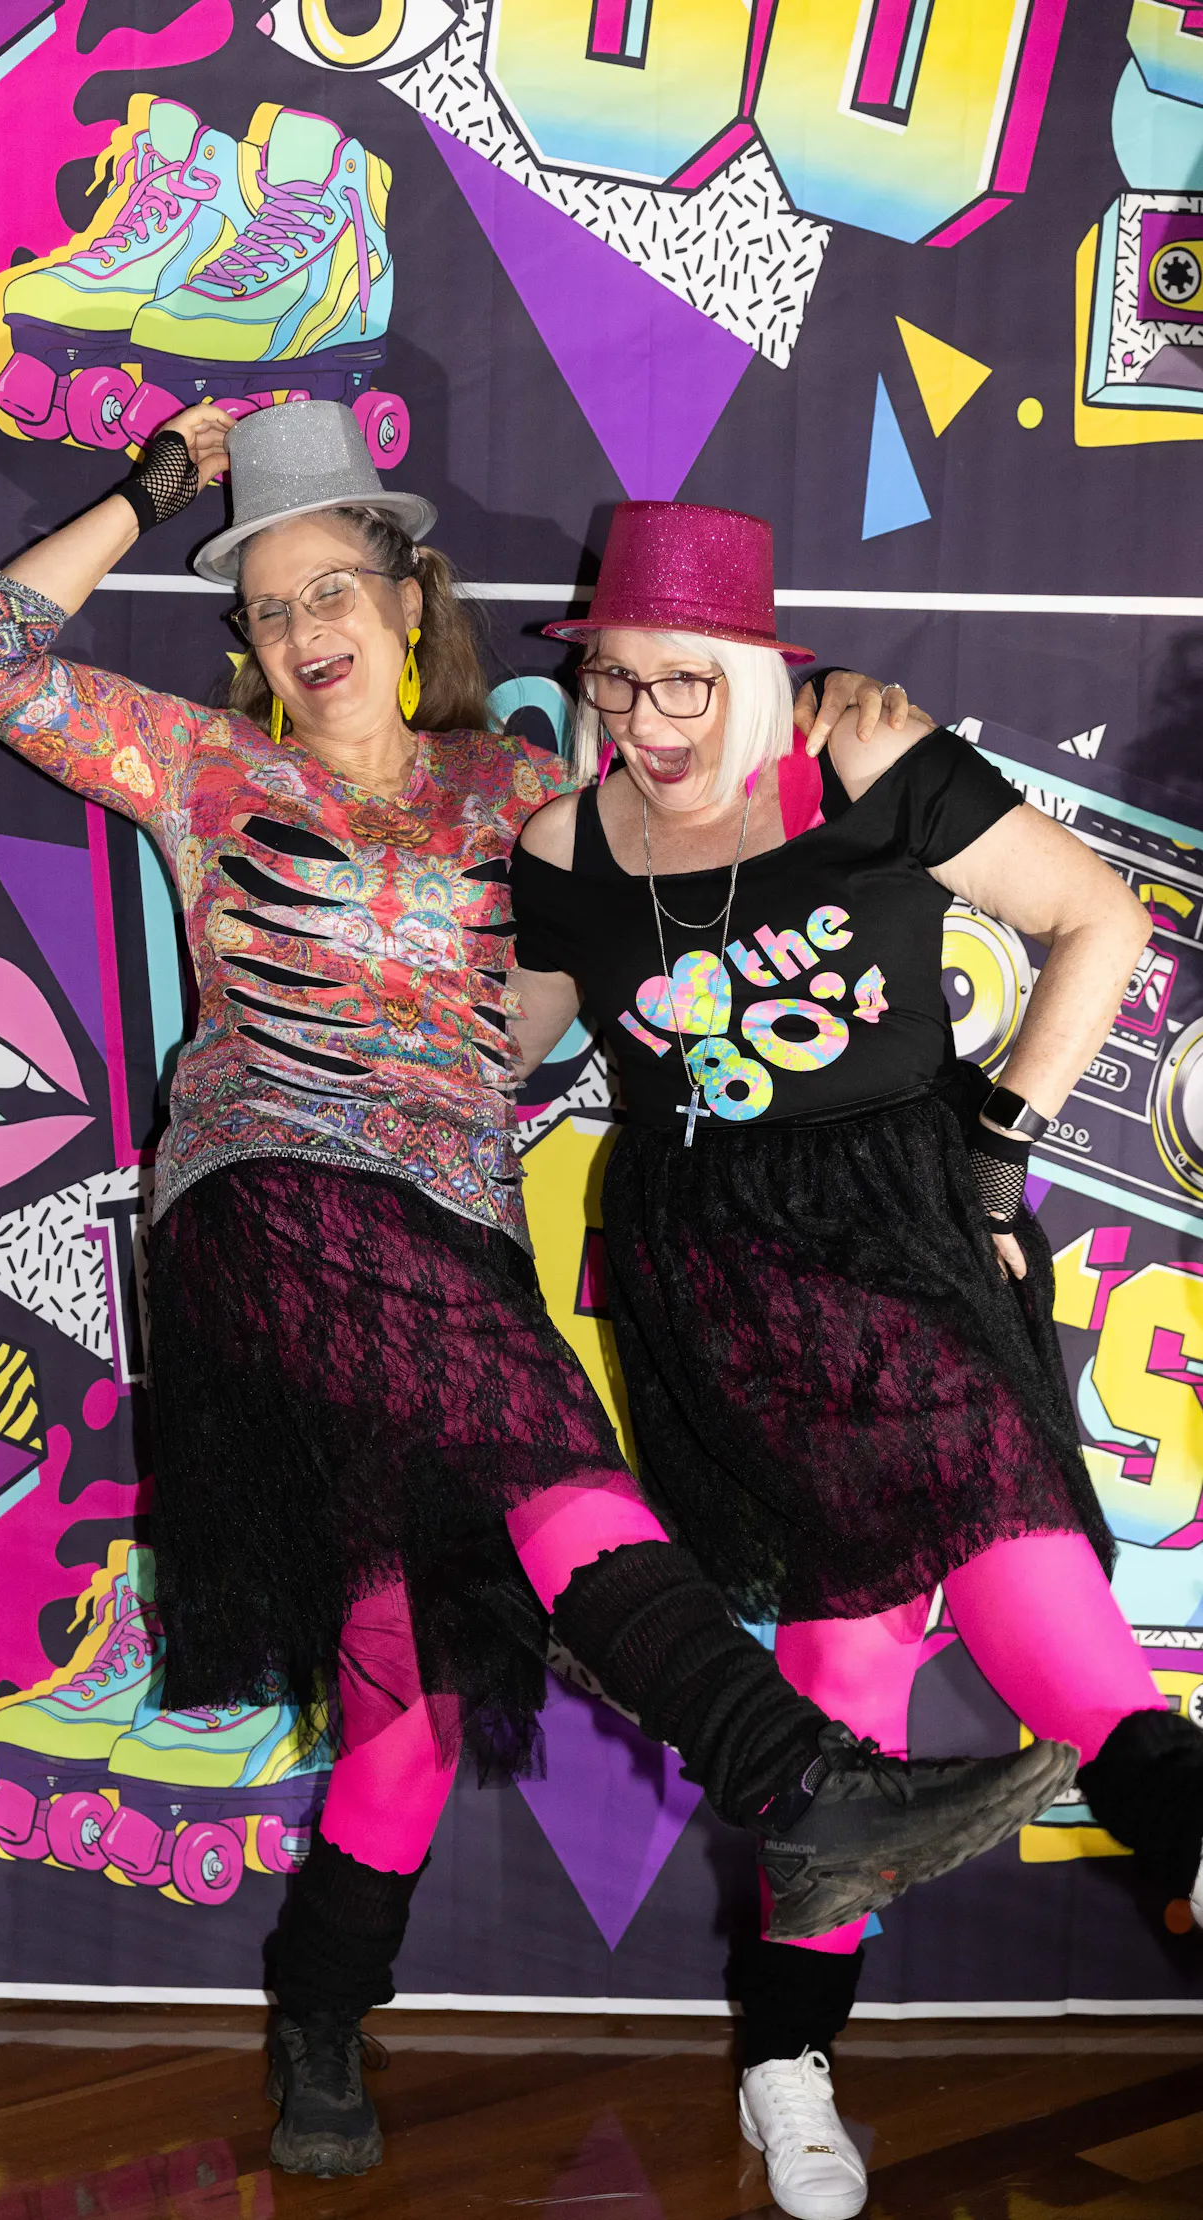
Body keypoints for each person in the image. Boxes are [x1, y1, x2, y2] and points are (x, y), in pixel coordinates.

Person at [0, 412, 1073, 2185]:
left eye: (337, 583)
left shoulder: (527, 806)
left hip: (457, 1240)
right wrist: (159, 488)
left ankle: (319, 2008)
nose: (305, 623)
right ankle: (797, 1781)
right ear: (247, 639)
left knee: (409, 1701)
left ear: (409, 600)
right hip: (272, 1198)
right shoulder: (195, 765)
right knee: (546, 1459)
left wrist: (833, 708)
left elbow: (698, 801)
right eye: (267, 598)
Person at [508, 498, 1203, 2220]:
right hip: (714, 1283)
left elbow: (1102, 923)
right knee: (847, 1673)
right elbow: (498, 1042)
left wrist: (995, 1139)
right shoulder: (558, 852)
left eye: (686, 683)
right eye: (618, 685)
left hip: (907, 1233)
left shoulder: (877, 772)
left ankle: (1168, 1822)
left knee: (1003, 1542)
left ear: (758, 672)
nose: (651, 726)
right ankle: (790, 2071)